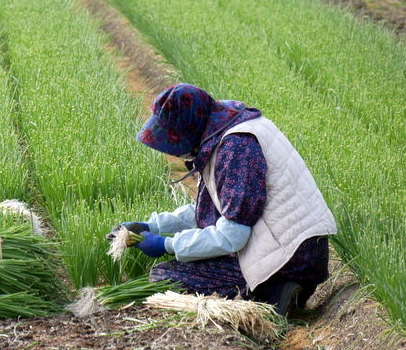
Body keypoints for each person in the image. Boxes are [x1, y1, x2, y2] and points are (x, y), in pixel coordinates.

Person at [109, 83, 336, 316]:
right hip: (301, 251)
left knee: (167, 277)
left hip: (289, 258)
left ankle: (270, 293)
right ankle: (278, 288)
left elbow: (232, 236)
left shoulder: (235, 147)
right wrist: (152, 226)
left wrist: (168, 245)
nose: (171, 150)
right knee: (189, 263)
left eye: (173, 139)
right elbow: (212, 208)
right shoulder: (228, 132)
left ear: (189, 128)